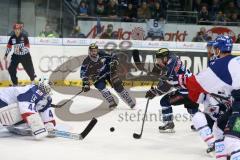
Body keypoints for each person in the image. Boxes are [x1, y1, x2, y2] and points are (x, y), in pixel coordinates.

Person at [178, 35, 240, 160]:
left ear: (218, 50)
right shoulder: (236, 60)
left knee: (232, 142)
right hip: (235, 103)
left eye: (214, 49)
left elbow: (196, 83)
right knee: (218, 128)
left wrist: (180, 79)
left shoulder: (221, 64)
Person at [145, 48, 199, 133]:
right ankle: (200, 123)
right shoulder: (173, 59)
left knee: (164, 101)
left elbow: (166, 86)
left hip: (186, 91)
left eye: (159, 60)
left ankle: (168, 123)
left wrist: (154, 92)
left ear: (165, 58)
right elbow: (165, 81)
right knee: (191, 106)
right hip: (194, 90)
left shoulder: (170, 68)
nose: (157, 62)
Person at [80, 43, 135, 109]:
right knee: (102, 88)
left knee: (118, 86)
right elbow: (83, 74)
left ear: (97, 50)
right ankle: (112, 102)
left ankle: (130, 101)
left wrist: (115, 61)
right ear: (89, 51)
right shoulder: (86, 61)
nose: (94, 52)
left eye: (95, 51)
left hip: (109, 72)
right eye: (92, 51)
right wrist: (85, 84)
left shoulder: (103, 53)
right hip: (98, 77)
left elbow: (114, 55)